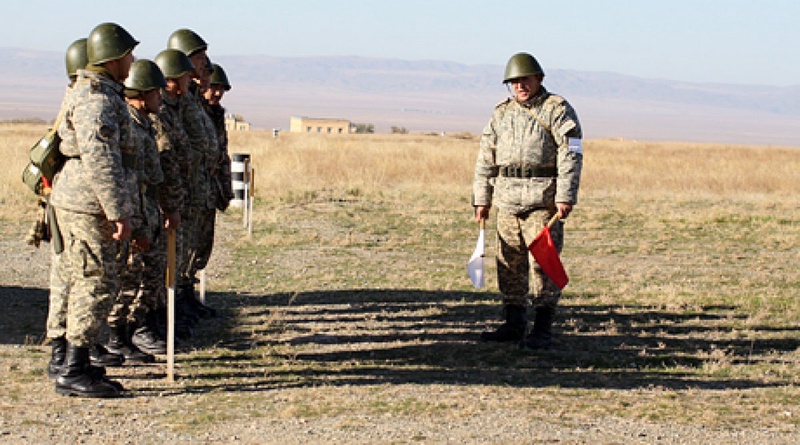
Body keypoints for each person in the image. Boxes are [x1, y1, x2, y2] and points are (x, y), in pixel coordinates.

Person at [49, 22, 138, 398]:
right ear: (114, 58)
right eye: (128, 54)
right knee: (96, 283)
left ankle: (77, 361)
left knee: (87, 280)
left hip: (84, 202)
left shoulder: (98, 93)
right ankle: (73, 368)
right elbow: (101, 159)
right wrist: (119, 211)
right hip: (87, 205)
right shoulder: (96, 99)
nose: (133, 61)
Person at [472, 52, 583, 351]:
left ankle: (543, 328)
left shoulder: (557, 110)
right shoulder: (500, 114)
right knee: (509, 263)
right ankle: (513, 323)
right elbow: (485, 158)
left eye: (525, 79)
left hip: (542, 201)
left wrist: (565, 196)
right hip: (507, 200)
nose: (520, 86)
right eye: (514, 82)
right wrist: (481, 198)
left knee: (542, 264)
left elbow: (571, 154)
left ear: (539, 79)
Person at [105, 59, 170, 362]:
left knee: (147, 277)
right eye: (157, 92)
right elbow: (131, 182)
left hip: (148, 213)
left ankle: (133, 330)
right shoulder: (130, 127)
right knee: (128, 280)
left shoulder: (143, 125)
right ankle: (117, 337)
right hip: (137, 215)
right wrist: (138, 225)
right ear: (142, 94)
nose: (161, 97)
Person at [167, 28, 221, 325]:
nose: (203, 64)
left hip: (197, 187)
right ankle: (170, 307)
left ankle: (184, 298)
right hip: (181, 189)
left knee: (190, 249)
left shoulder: (192, 98)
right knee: (175, 251)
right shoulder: (171, 99)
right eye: (198, 58)